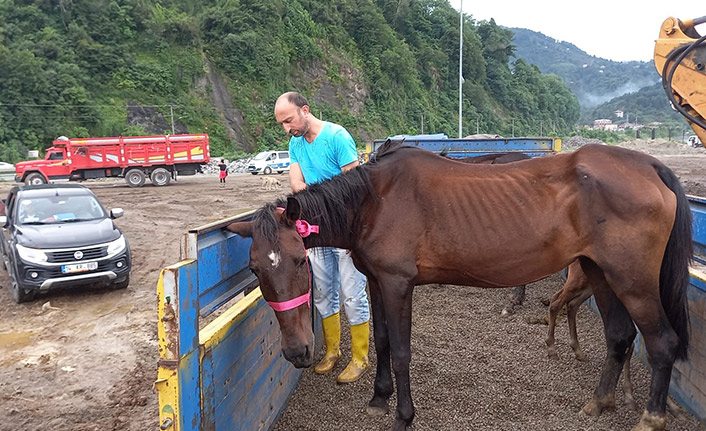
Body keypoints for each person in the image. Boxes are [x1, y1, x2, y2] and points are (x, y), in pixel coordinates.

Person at [274, 91, 370, 384]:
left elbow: (355, 189)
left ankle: (360, 356)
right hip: (315, 232)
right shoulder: (295, 144)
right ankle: (332, 351)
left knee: (353, 294)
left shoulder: (337, 137)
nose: (286, 129)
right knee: (324, 294)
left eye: (289, 120)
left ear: (305, 110)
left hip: (345, 231)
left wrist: (317, 199)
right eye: (281, 124)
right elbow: (295, 183)